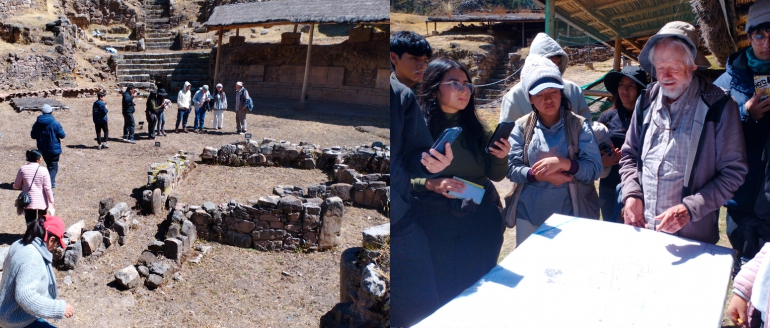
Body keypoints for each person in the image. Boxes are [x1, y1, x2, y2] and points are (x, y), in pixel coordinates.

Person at [619, 21, 748, 244]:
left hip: (692, 239)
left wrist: (690, 208)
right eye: (660, 68)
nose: (666, 75)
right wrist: (631, 193)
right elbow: (629, 155)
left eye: (674, 67)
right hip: (644, 230)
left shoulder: (719, 106)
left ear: (693, 65)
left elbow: (733, 172)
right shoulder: (646, 101)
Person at [411, 57, 510, 308]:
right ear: (434, 89)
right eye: (454, 83)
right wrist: (432, 184)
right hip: (437, 221)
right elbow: (403, 177)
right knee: (446, 289)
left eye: (467, 84)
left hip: (481, 218)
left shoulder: (477, 128)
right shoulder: (418, 129)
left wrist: (501, 156)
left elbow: (496, 176)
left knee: (481, 285)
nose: (463, 90)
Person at [506, 55, 602, 245]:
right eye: (540, 94)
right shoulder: (522, 127)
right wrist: (539, 175)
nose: (548, 99)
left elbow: (594, 169)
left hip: (570, 214)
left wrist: (564, 163)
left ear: (561, 93)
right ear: (530, 98)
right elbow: (511, 169)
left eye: (553, 92)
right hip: (529, 215)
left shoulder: (578, 126)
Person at [390, 77, 453, 326]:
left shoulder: (401, 95)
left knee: (424, 315)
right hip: (393, 224)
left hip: (404, 230)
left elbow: (416, 153)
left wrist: (430, 165)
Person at [714, 0, 770, 263]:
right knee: (743, 269)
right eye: (760, 35)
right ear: (749, 36)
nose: (767, 43)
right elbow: (709, 133)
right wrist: (745, 115)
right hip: (741, 198)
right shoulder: (726, 83)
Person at [0, 215, 74, 327]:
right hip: (15, 320)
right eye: (57, 243)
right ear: (51, 240)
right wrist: (59, 308)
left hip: (7, 312)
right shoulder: (32, 256)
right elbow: (25, 296)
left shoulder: (20, 243)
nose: (55, 247)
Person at [500, 33, 591, 123]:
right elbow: (507, 135)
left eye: (559, 63)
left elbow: (587, 127)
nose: (556, 68)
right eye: (549, 63)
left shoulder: (573, 90)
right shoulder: (514, 97)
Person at [597, 66, 649, 222]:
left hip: (638, 188)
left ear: (640, 90)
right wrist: (602, 160)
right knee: (610, 226)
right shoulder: (607, 117)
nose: (625, 89)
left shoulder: (649, 119)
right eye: (621, 84)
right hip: (609, 185)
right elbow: (590, 148)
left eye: (631, 85)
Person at [13, 150, 54, 224]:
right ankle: (40, 234)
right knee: (42, 222)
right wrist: (51, 200)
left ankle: (31, 234)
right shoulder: (44, 170)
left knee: (30, 222)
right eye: (41, 157)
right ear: (37, 159)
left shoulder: (23, 169)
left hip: (28, 201)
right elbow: (47, 188)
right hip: (42, 202)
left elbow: (16, 186)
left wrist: (14, 185)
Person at [30, 104, 65, 189]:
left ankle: (48, 181)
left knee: (49, 165)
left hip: (43, 149)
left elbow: (33, 135)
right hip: (54, 149)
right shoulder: (55, 123)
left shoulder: (37, 124)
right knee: (53, 166)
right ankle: (50, 183)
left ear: (42, 112)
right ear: (51, 112)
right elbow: (62, 135)